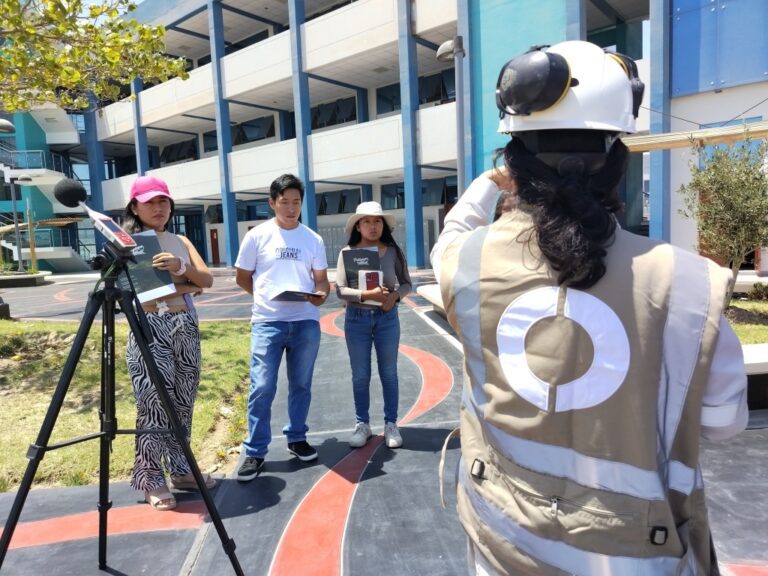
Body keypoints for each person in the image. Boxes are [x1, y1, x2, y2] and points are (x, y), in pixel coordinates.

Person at [431, 41, 748, 574]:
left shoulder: (466, 262)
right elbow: (722, 422)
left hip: (501, 541)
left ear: (513, 164)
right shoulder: (690, 282)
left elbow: (451, 235)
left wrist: (487, 185)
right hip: (637, 555)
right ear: (617, 162)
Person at [122, 175, 215, 511]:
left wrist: (181, 266)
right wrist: (187, 285)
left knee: (184, 399)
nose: (158, 207)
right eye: (149, 202)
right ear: (135, 207)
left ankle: (180, 468)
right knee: (154, 403)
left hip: (185, 324)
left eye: (163, 201)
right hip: (150, 326)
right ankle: (150, 477)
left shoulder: (180, 240)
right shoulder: (129, 243)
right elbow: (143, 293)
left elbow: (207, 279)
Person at [234, 173, 330, 481]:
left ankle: (297, 437)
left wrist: (321, 295)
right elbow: (242, 276)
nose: (291, 208)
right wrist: (264, 298)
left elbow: (321, 281)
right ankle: (255, 451)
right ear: (272, 203)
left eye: (296, 202)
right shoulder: (257, 236)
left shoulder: (313, 239)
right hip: (267, 322)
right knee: (262, 386)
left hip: (305, 322)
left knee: (301, 384)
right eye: (284, 202)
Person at [335, 202, 412, 449]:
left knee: (389, 373)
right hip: (356, 320)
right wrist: (367, 295)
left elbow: (407, 283)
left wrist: (394, 297)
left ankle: (391, 424)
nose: (372, 226)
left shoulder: (393, 252)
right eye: (366, 221)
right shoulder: (347, 252)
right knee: (360, 375)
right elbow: (340, 289)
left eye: (377, 221)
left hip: (387, 319)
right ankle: (362, 425)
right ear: (358, 226)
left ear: (383, 225)